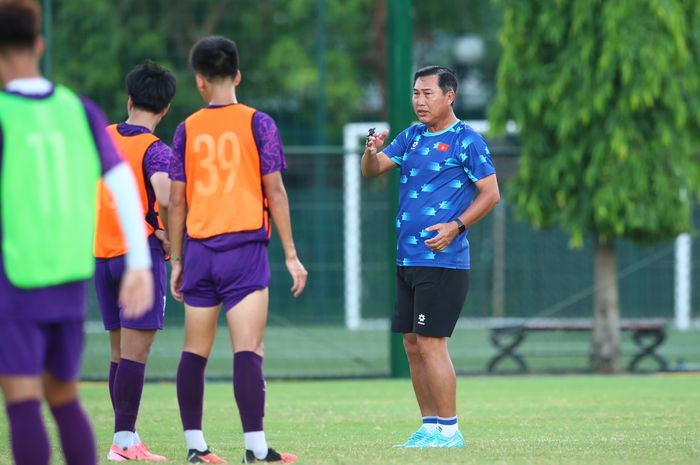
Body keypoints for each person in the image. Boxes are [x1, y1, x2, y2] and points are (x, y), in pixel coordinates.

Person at [0, 1, 154, 465]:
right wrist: (141, 264)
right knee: (63, 394)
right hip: (69, 276)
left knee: (23, 398)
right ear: (39, 45)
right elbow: (121, 180)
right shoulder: (76, 108)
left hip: (16, 274)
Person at [169, 35, 308, 464]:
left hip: (198, 250)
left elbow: (176, 200)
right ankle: (256, 449)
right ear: (238, 74)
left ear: (199, 82)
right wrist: (290, 253)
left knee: (194, 351)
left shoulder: (186, 128)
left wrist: (176, 260)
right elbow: (276, 191)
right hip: (244, 249)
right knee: (248, 350)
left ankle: (196, 447)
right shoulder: (258, 123)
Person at [361, 65, 500, 448]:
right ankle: (430, 426)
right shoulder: (411, 137)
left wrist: (455, 226)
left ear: (449, 96)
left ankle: (450, 431)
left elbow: (491, 194)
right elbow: (373, 171)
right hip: (408, 260)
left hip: (443, 261)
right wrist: (370, 151)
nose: (420, 101)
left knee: (431, 342)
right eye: (416, 93)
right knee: (411, 342)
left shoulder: (466, 140)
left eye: (428, 93)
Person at [93, 60, 176, 462]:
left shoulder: (103, 137)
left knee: (118, 354)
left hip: (102, 255)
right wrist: (169, 234)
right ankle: (123, 443)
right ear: (165, 109)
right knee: (135, 355)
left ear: (129, 100)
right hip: (138, 257)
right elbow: (164, 193)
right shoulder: (156, 149)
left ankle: (126, 436)